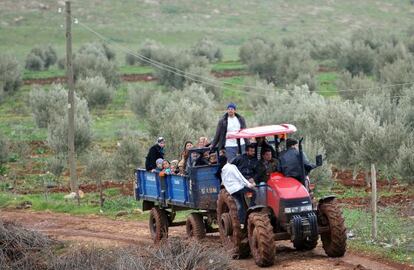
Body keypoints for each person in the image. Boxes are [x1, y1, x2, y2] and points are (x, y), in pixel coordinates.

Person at [221, 161, 256, 225]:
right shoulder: (232, 167)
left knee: (241, 205)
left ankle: (242, 223)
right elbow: (239, 177)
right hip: (238, 188)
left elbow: (224, 181)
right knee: (252, 192)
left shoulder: (223, 170)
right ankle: (251, 207)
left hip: (232, 191)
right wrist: (249, 185)